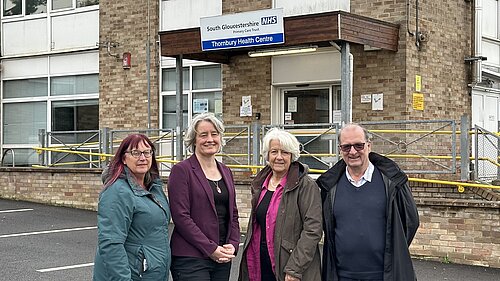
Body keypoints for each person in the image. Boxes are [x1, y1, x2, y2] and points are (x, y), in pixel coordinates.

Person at [317, 123, 420, 281]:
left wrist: (395, 250)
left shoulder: (393, 182)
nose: (353, 152)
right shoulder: (329, 186)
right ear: (340, 149)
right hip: (341, 276)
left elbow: (410, 222)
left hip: (385, 276)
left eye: (358, 145)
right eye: (346, 147)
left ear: (369, 146)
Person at [239, 128, 322, 281]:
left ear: (292, 156)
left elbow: (313, 230)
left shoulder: (306, 185)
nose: (279, 157)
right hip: (260, 261)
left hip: (289, 266)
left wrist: (295, 268)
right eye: (274, 152)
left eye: (284, 152)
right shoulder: (260, 184)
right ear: (267, 155)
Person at [168, 112, 240, 281]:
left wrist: (233, 244)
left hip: (222, 256)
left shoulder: (226, 171)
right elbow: (181, 217)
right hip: (190, 257)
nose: (210, 139)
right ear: (194, 140)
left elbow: (233, 214)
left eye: (214, 134)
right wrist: (210, 249)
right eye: (203, 135)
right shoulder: (182, 171)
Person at [93, 134, 171, 281]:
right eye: (135, 153)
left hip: (151, 273)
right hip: (131, 275)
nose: (142, 158)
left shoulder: (154, 187)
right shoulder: (117, 191)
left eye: (147, 152)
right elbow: (111, 244)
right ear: (123, 158)